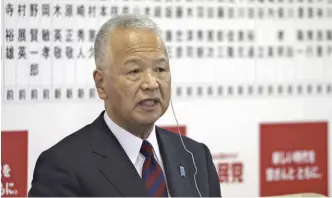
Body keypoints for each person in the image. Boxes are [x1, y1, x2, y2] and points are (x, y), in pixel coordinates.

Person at [28, 14, 221, 197]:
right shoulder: (63, 166)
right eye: (135, 70)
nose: (151, 83)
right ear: (101, 84)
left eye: (160, 69)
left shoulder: (196, 156)